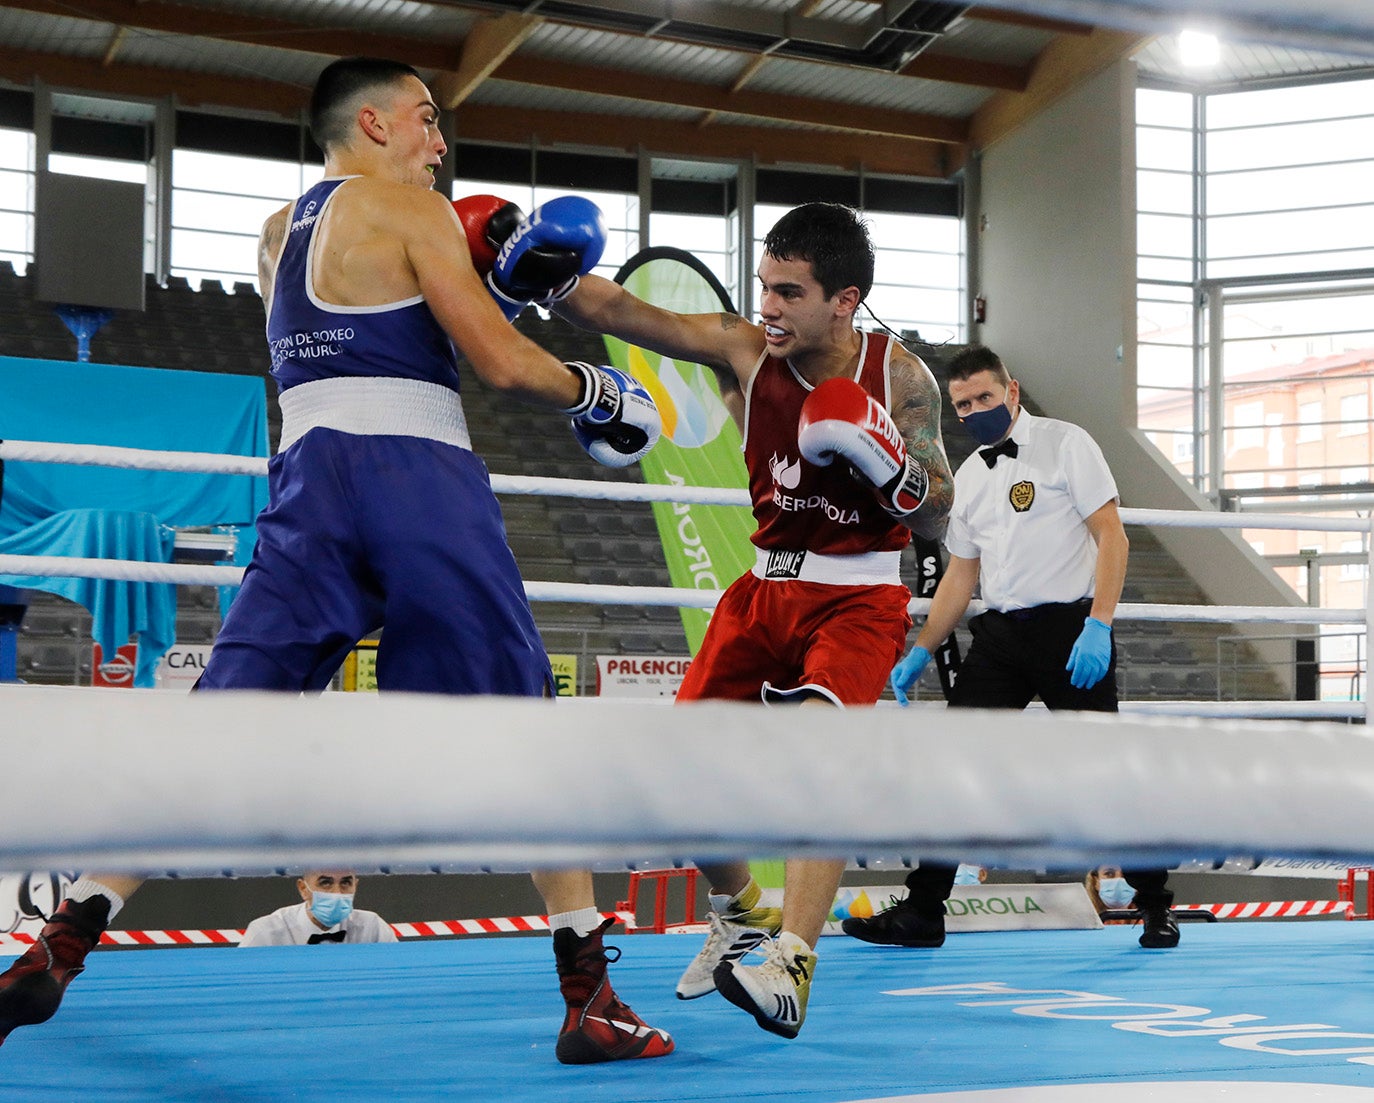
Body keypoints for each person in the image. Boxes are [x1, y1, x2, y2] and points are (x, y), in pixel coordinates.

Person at [0, 56, 672, 1066]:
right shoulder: (412, 215)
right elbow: (495, 360)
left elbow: (367, 329)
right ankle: (592, 1001)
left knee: (221, 726)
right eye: (427, 120)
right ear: (373, 123)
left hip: (308, 483)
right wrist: (597, 391)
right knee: (537, 738)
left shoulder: (277, 234)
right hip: (418, 478)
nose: (441, 142)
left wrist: (486, 265)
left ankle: (61, 937)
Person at [553, 202, 954, 1039]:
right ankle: (740, 912)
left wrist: (890, 465)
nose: (768, 307)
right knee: (678, 769)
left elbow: (938, 517)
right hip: (763, 588)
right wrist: (537, 272)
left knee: (822, 751)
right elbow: (631, 313)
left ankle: (792, 966)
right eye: (764, 286)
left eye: (790, 292)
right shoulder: (745, 345)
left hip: (859, 592)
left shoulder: (899, 374)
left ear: (844, 300)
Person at [840, 344, 1179, 952]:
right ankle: (923, 911)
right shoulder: (968, 479)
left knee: (1107, 772)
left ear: (1011, 391)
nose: (975, 411)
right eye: (963, 404)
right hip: (999, 638)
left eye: (985, 398)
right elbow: (961, 575)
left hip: (1070, 632)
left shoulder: (1066, 443)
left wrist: (1099, 624)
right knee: (954, 767)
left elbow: (1113, 536)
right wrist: (923, 647)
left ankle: (1155, 903)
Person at [239, 870, 398, 947]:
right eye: (326, 883)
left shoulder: (373, 928)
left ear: (355, 885)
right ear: (303, 888)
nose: (337, 892)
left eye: (345, 883)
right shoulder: (266, 933)